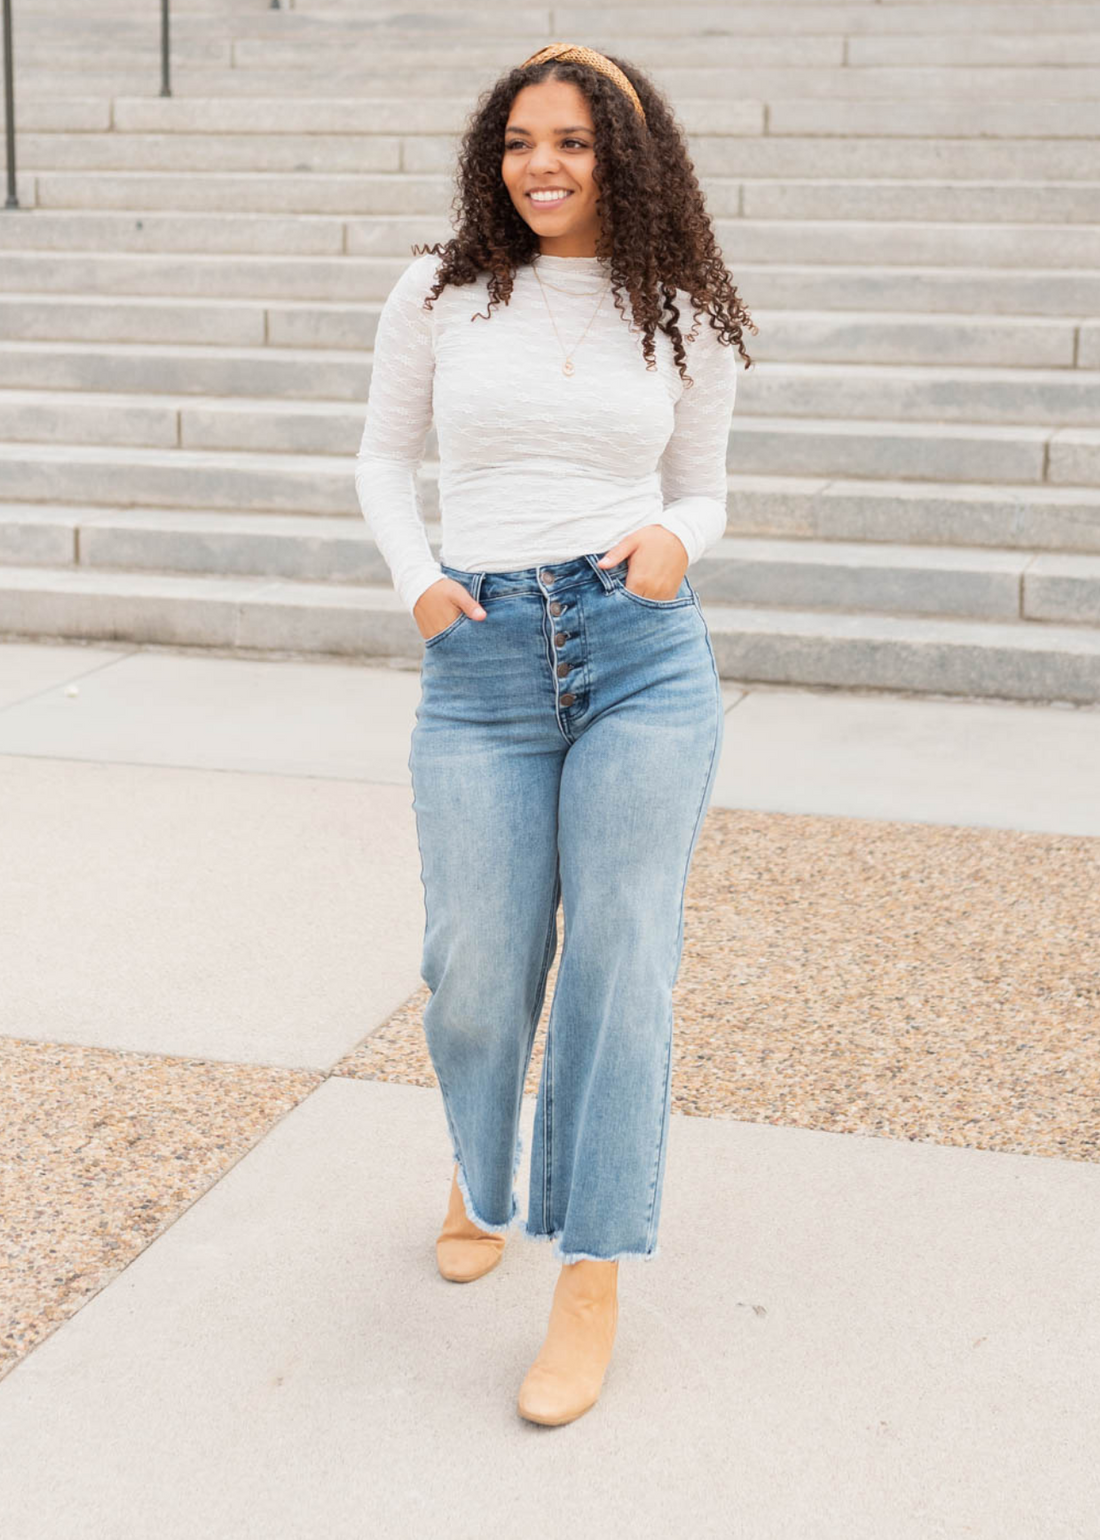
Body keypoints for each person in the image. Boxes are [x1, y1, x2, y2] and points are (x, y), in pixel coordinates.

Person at [354, 41, 755, 1427]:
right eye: (523, 138)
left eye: (575, 141)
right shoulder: (442, 291)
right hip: (482, 664)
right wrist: (417, 580)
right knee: (474, 965)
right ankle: (479, 1163)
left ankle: (590, 1272)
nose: (543, 163)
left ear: (624, 157)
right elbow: (380, 455)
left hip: (642, 658)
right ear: (492, 148)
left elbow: (706, 488)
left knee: (621, 965)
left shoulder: (682, 310)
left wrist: (669, 538)